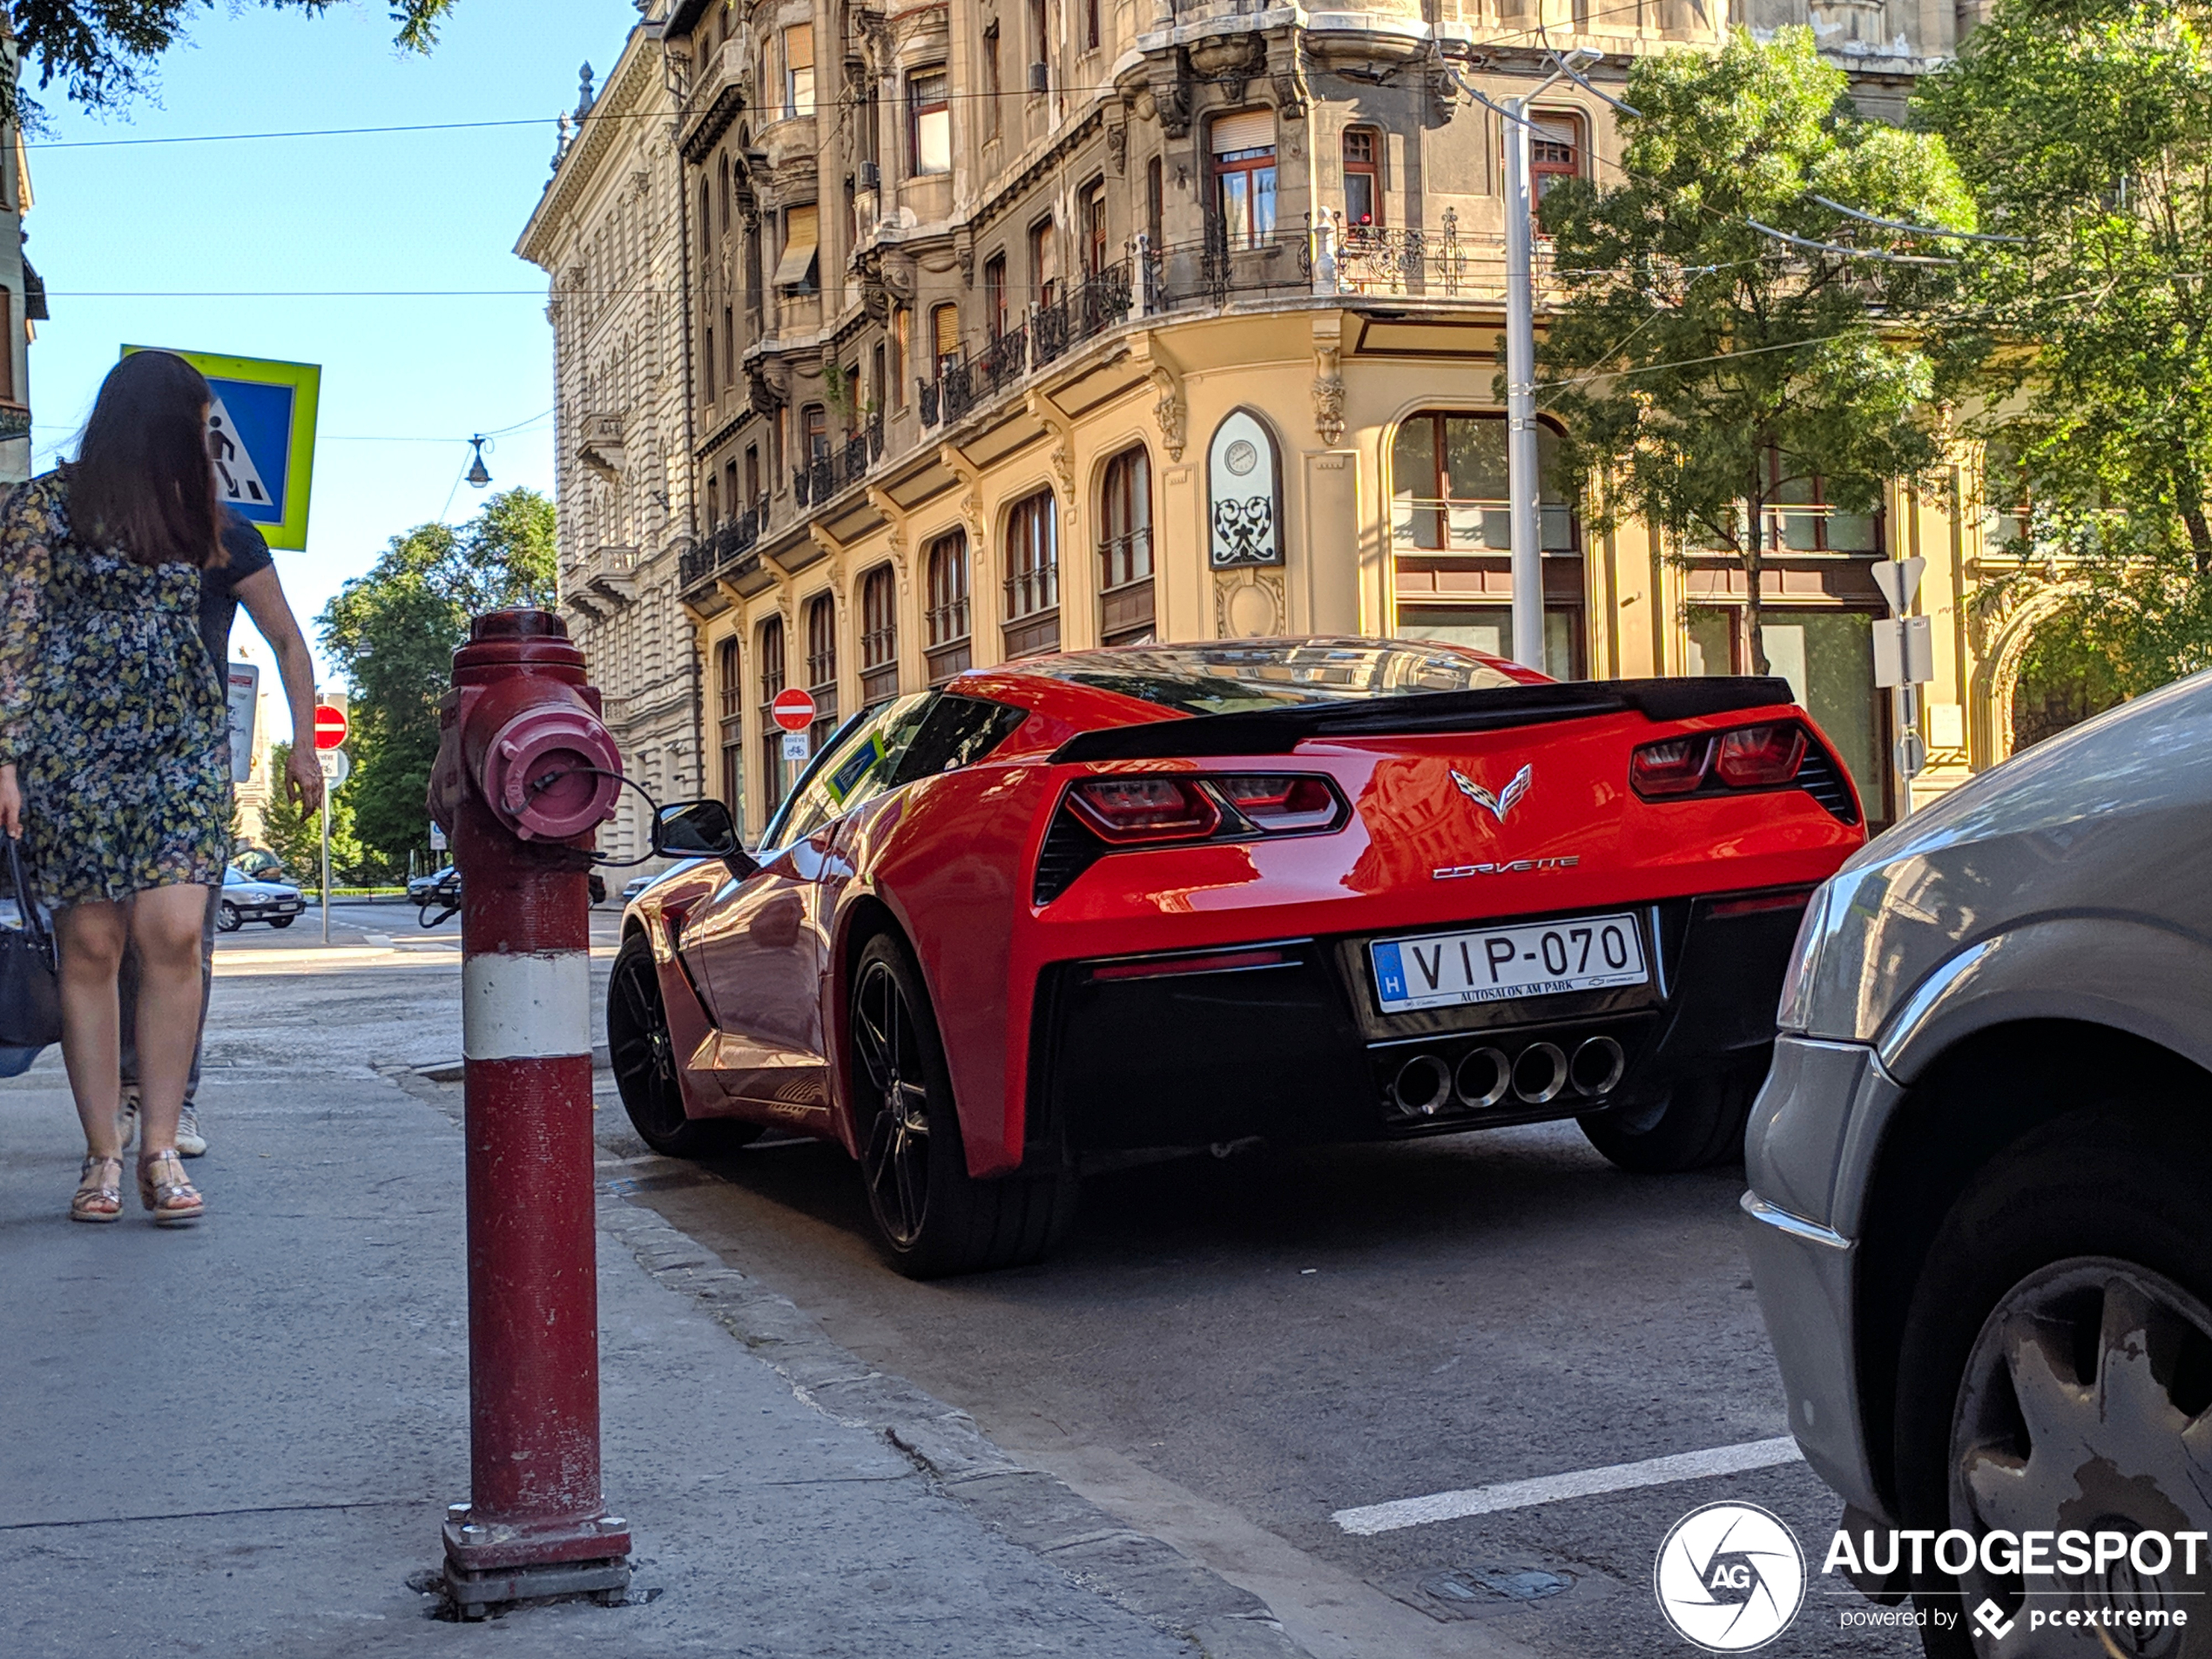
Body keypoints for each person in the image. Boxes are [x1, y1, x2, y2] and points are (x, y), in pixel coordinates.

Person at [0, 350, 239, 1224]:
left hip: (178, 735)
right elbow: (16, 632)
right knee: (94, 948)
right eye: (201, 418)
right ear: (158, 417)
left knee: (173, 931)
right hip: (72, 741)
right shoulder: (41, 505)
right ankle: (104, 1155)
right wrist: (5, 757)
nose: (210, 435)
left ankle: (161, 1143)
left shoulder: (193, 504)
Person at [116, 510, 323, 1158]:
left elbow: (288, 639)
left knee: (183, 942)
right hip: (102, 758)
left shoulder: (226, 535)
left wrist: (305, 746)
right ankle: (125, 1092)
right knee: (111, 940)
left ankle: (175, 1101)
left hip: (194, 761)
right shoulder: (101, 522)